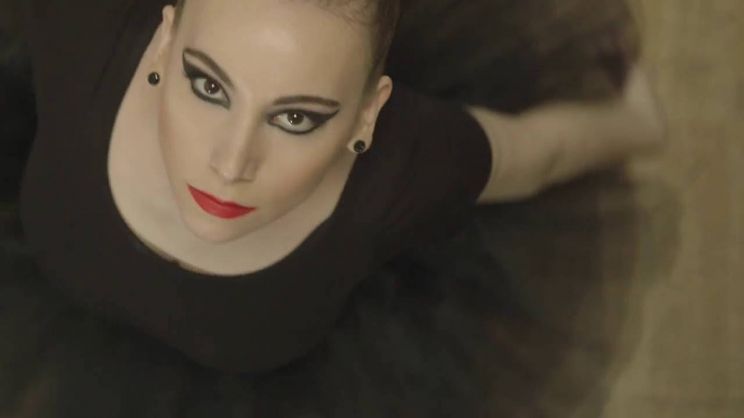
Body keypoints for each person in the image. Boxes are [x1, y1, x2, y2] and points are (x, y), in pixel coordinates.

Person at [14, 0, 664, 375]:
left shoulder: (406, 166)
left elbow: (538, 155)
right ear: (163, 43)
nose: (231, 164)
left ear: (366, 116)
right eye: (209, 86)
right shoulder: (81, 28)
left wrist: (636, 125)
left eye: (296, 118)